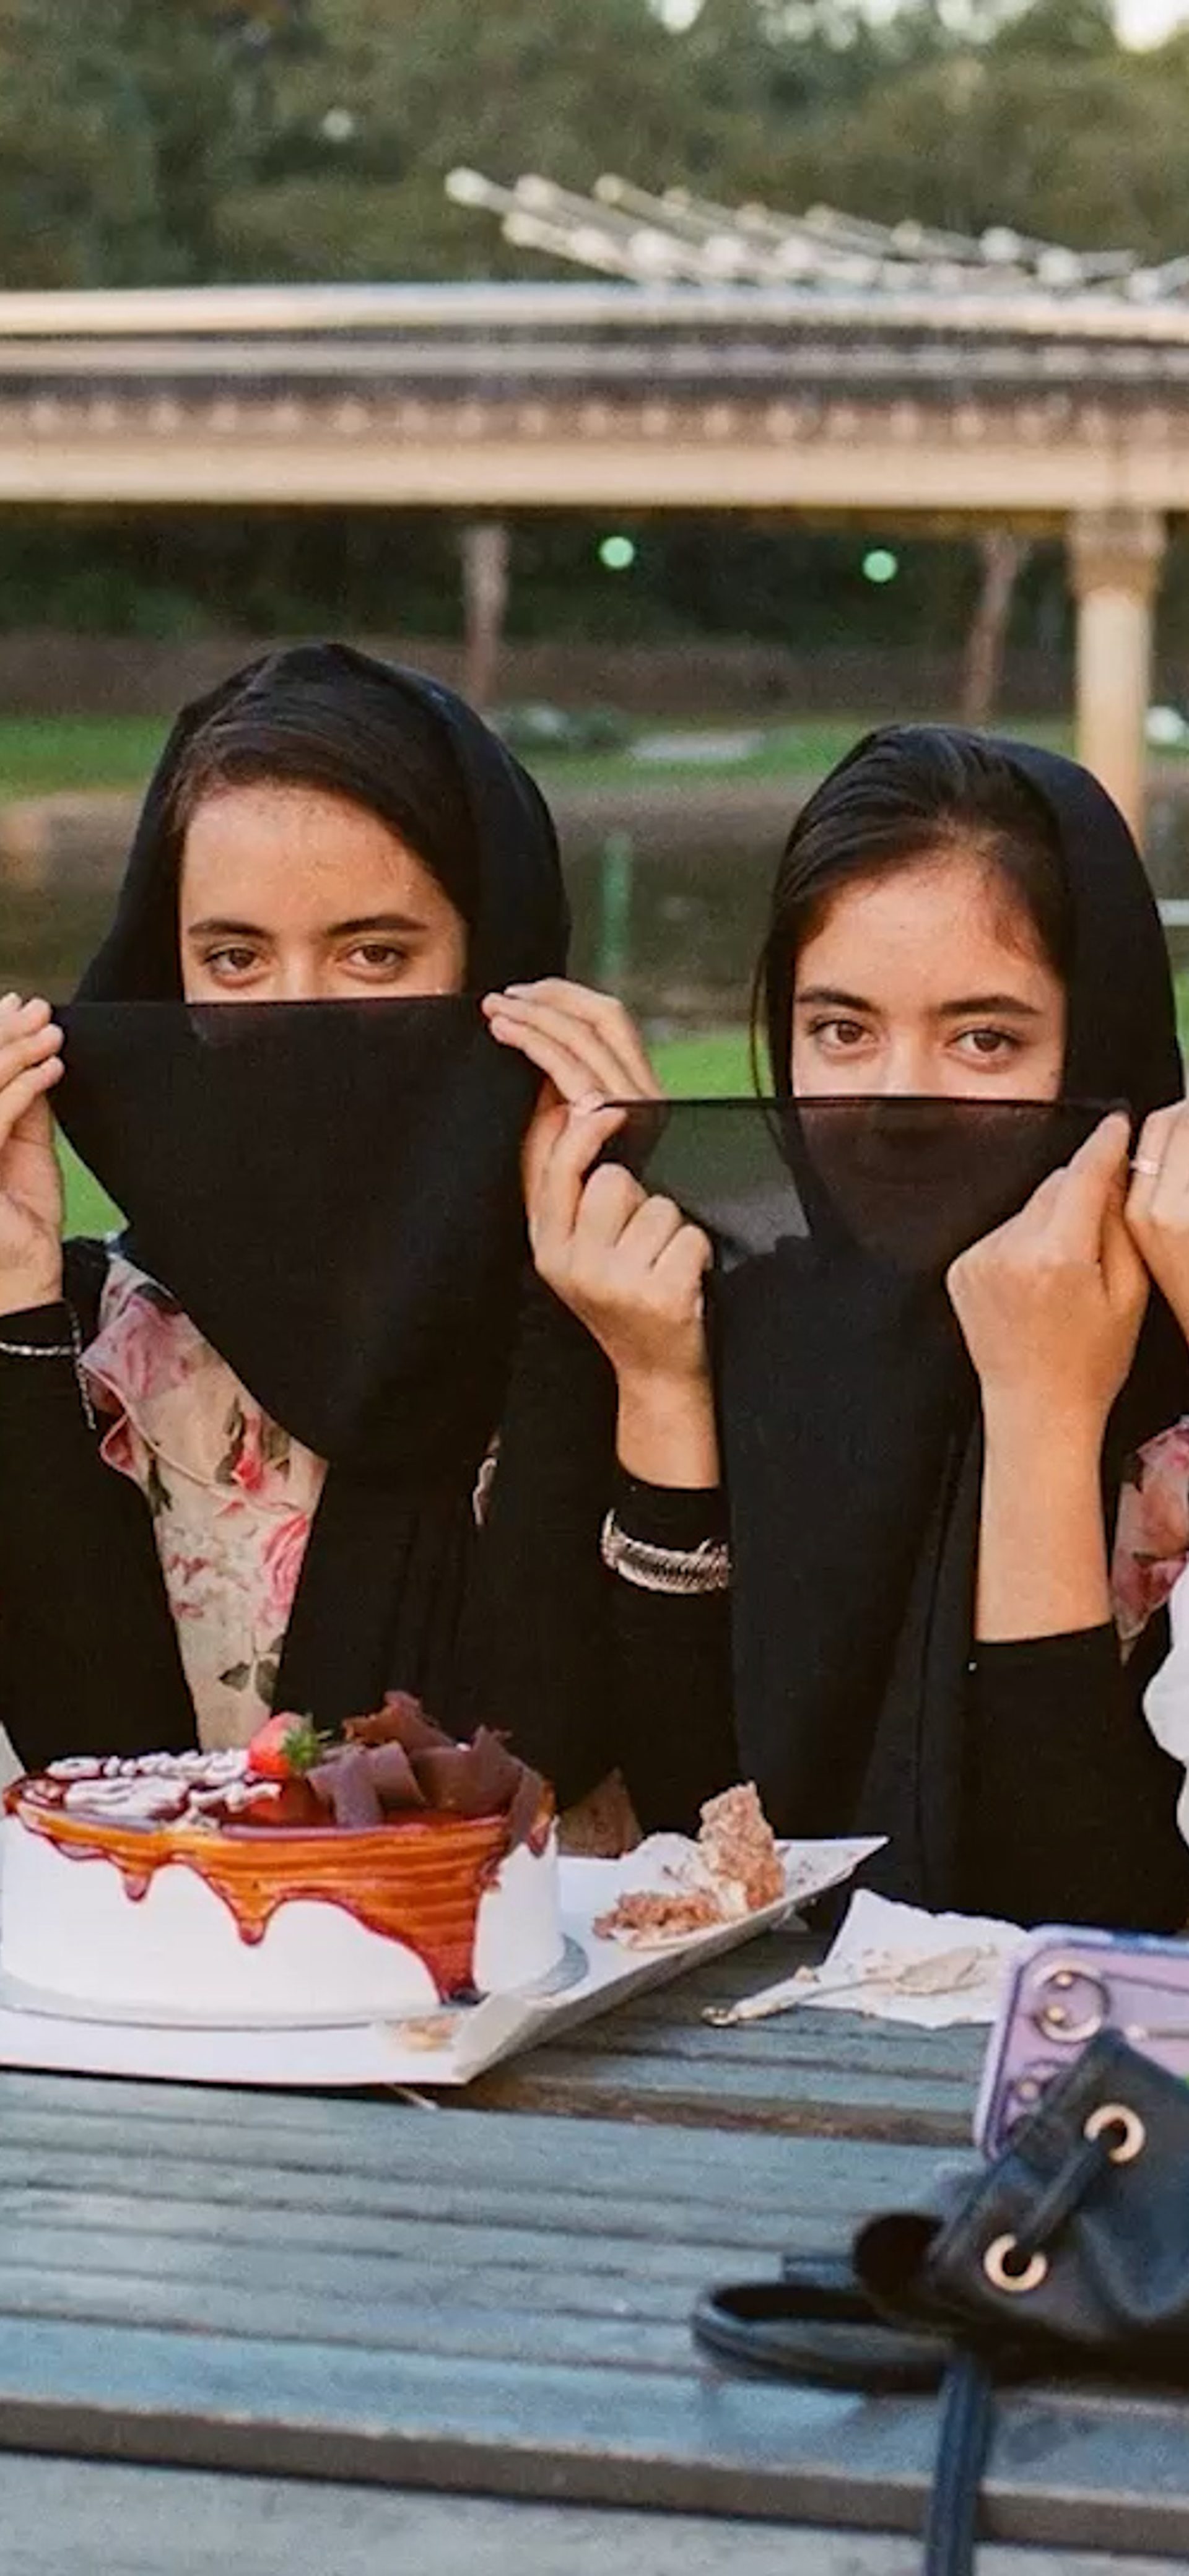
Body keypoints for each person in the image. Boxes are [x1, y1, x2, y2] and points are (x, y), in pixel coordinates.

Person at [0, 640, 687, 1828]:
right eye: (233, 958)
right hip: (188, 1994)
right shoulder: (106, 1341)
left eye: (375, 954)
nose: (296, 1016)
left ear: (496, 962)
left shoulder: (644, 1307)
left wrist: (565, 1301)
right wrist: (12, 1305)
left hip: (541, 2002)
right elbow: (99, 1771)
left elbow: (536, 1751)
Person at [513, 725, 1189, 1926]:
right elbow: (707, 1840)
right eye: (842, 1029)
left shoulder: (1175, 1353)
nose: (898, 1107)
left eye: (986, 1038)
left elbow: (1083, 1923)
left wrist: (1042, 1411)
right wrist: (663, 1387)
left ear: (1102, 1037)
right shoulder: (761, 1317)